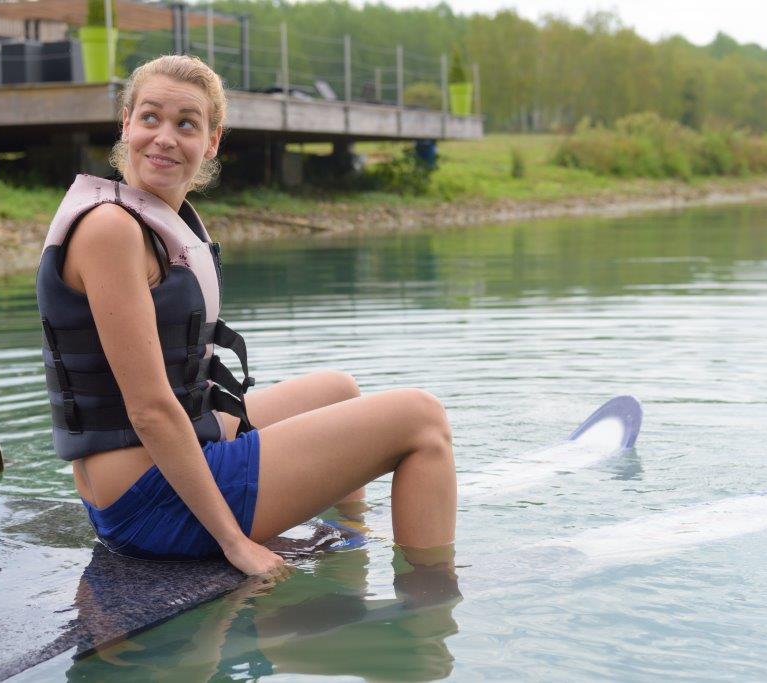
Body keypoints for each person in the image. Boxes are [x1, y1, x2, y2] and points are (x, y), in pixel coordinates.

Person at [35, 55, 457, 579]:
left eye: (186, 124)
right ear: (126, 125)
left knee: (340, 389)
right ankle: (432, 600)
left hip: (167, 467)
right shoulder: (110, 229)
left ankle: (352, 545)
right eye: (150, 118)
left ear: (211, 141)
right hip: (148, 507)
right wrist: (234, 543)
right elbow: (148, 410)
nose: (164, 137)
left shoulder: (164, 216)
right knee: (422, 418)